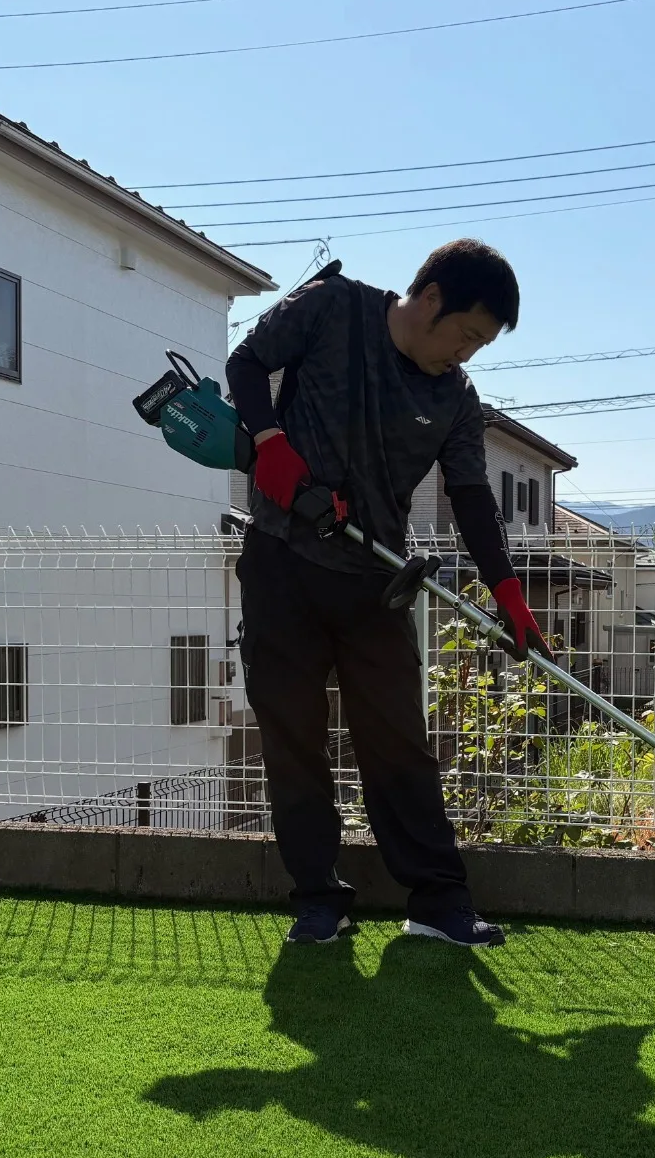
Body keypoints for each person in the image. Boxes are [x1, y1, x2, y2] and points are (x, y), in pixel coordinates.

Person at [225, 238, 549, 948]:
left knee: (400, 745)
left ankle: (437, 900)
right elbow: (246, 363)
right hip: (282, 563)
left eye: (481, 345)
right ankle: (318, 898)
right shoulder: (332, 307)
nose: (466, 354)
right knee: (293, 741)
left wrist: (508, 592)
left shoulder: (457, 400)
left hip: (377, 583)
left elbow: (471, 497)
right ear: (430, 299)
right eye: (467, 334)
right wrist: (272, 440)